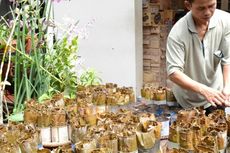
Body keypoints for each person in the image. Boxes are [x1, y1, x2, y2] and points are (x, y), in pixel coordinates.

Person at [166, 0, 230, 114]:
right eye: (201, 8)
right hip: (188, 100)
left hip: (216, 95)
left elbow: (226, 58)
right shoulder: (177, 33)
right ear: (188, 5)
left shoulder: (225, 21)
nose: (207, 13)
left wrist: (227, 87)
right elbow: (174, 72)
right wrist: (204, 90)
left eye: (211, 6)